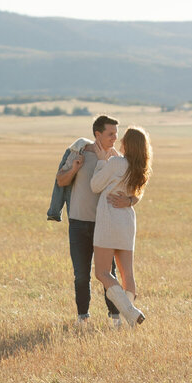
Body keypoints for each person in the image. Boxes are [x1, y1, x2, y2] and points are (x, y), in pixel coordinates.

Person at [55, 115, 135, 324]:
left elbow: (134, 188)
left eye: (116, 135)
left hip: (105, 224)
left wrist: (130, 200)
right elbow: (60, 181)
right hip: (79, 222)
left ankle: (115, 317)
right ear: (97, 134)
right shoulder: (78, 153)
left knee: (108, 274)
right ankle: (83, 319)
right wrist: (74, 169)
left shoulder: (117, 159)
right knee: (81, 275)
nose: (114, 139)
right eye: (110, 134)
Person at [92, 125, 151, 327]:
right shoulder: (141, 168)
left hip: (109, 221)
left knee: (101, 272)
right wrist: (129, 201)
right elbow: (137, 194)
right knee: (128, 274)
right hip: (127, 222)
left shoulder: (116, 163)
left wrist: (101, 162)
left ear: (127, 144)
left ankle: (129, 311)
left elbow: (95, 185)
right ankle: (129, 323)